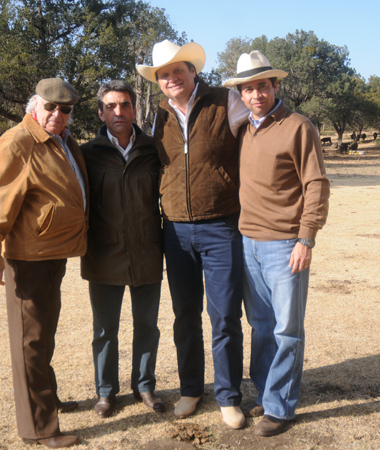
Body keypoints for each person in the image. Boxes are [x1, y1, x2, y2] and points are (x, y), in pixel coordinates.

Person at [136, 40, 249, 429]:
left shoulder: (226, 101)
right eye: (163, 74)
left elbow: (261, 134)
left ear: (192, 71)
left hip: (222, 226)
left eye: (177, 71)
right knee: (185, 315)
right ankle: (190, 390)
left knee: (225, 316)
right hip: (177, 231)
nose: (171, 78)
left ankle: (229, 397)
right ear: (158, 81)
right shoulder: (159, 116)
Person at [0, 78, 87, 448]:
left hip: (52, 253)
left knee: (43, 337)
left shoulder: (64, 140)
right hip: (27, 258)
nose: (57, 114)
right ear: (34, 105)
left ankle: (46, 400)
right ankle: (39, 428)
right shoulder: (19, 141)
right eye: (50, 107)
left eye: (65, 109)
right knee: (30, 342)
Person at [222, 51, 330, 436]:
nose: (256, 94)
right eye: (248, 88)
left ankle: (281, 408)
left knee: (287, 329)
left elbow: (316, 183)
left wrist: (306, 238)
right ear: (241, 93)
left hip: (286, 244)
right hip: (248, 241)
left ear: (275, 86)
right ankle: (268, 394)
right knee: (262, 325)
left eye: (262, 86)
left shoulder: (299, 127)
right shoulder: (243, 129)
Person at [80, 80, 164, 418]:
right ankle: (106, 392)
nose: (119, 112)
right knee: (104, 329)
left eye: (125, 105)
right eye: (111, 106)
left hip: (146, 250)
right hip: (103, 254)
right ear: (101, 112)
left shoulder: (153, 149)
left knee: (147, 325)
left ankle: (144, 386)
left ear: (134, 109)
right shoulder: (87, 154)